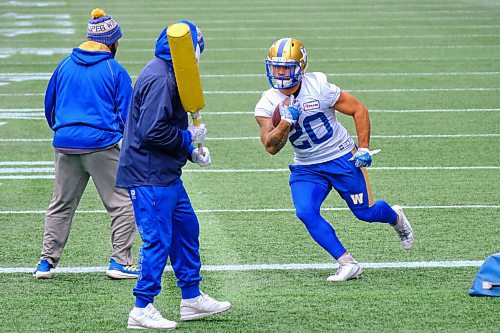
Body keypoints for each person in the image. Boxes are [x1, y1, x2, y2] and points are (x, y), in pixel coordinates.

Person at [255, 38, 414, 282]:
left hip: (340, 157)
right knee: (305, 212)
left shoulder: (318, 86)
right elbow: (270, 147)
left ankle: (396, 217)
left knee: (366, 213)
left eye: (286, 67)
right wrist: (286, 122)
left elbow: (358, 109)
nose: (280, 73)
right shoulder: (267, 101)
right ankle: (347, 262)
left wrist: (363, 148)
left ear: (301, 66)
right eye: (276, 67)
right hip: (307, 166)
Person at [116, 20, 231, 330]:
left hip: (165, 172)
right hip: (148, 175)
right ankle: (141, 308)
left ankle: (191, 298)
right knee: (158, 240)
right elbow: (152, 131)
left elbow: (162, 126)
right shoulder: (162, 78)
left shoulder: (171, 72)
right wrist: (188, 137)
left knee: (186, 229)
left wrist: (190, 153)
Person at [33, 8, 139, 280]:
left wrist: (63, 132)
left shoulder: (65, 64)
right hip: (100, 144)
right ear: (112, 42)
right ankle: (120, 261)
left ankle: (46, 262)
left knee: (61, 204)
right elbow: (127, 116)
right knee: (122, 203)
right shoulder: (114, 69)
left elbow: (50, 105)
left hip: (65, 143)